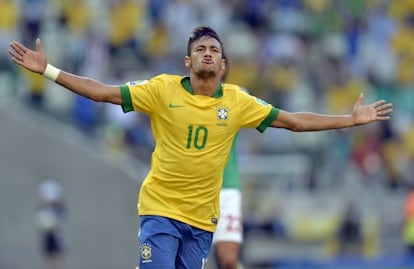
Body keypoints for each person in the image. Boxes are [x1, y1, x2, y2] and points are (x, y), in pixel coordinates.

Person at [8, 26, 393, 269]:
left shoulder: (238, 102)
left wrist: (349, 120)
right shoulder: (162, 90)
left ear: (223, 64)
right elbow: (103, 92)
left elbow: (294, 121)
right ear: (187, 60)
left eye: (214, 49)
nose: (208, 52)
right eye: (201, 48)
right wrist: (50, 71)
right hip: (160, 209)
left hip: (201, 220)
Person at [211, 54, 244, 269]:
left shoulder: (237, 98)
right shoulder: (182, 96)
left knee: (229, 260)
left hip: (225, 186)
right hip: (188, 187)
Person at [35, 180, 66, 269]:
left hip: (57, 237)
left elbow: (61, 221)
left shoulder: (59, 209)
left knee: (58, 256)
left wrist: (53, 223)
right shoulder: (42, 208)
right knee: (48, 257)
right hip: (47, 236)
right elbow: (39, 221)